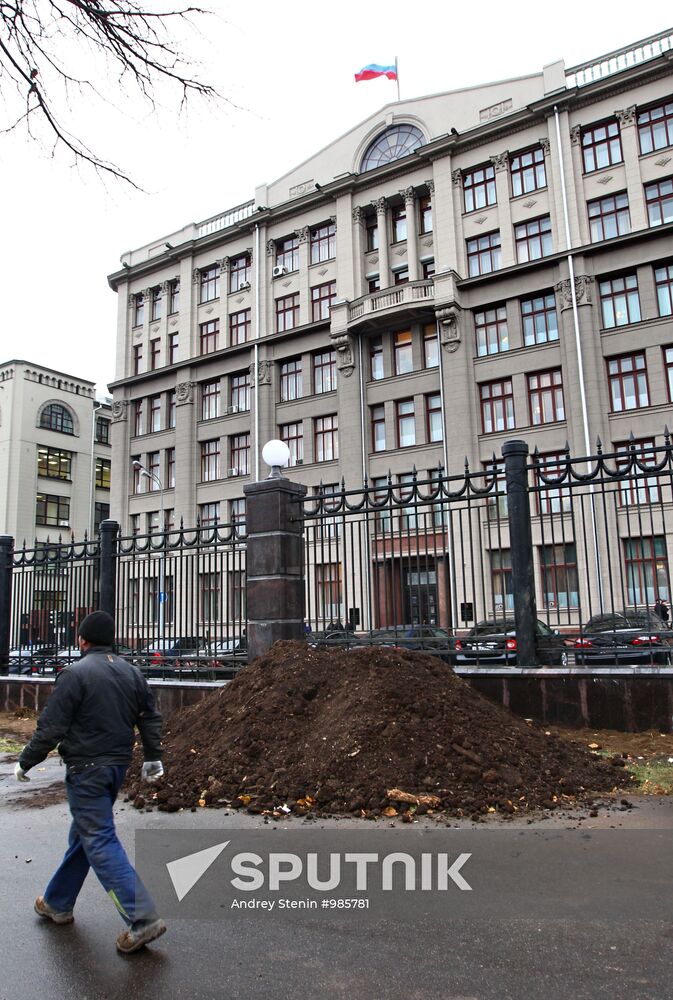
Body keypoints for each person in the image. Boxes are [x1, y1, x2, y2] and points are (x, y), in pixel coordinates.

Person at [14, 610, 166, 954]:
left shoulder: (75, 674)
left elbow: (51, 726)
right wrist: (153, 757)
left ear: (82, 640)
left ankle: (141, 918)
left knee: (97, 837)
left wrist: (26, 761)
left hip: (86, 770)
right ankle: (57, 902)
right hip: (116, 768)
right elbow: (150, 718)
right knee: (85, 834)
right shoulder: (131, 672)